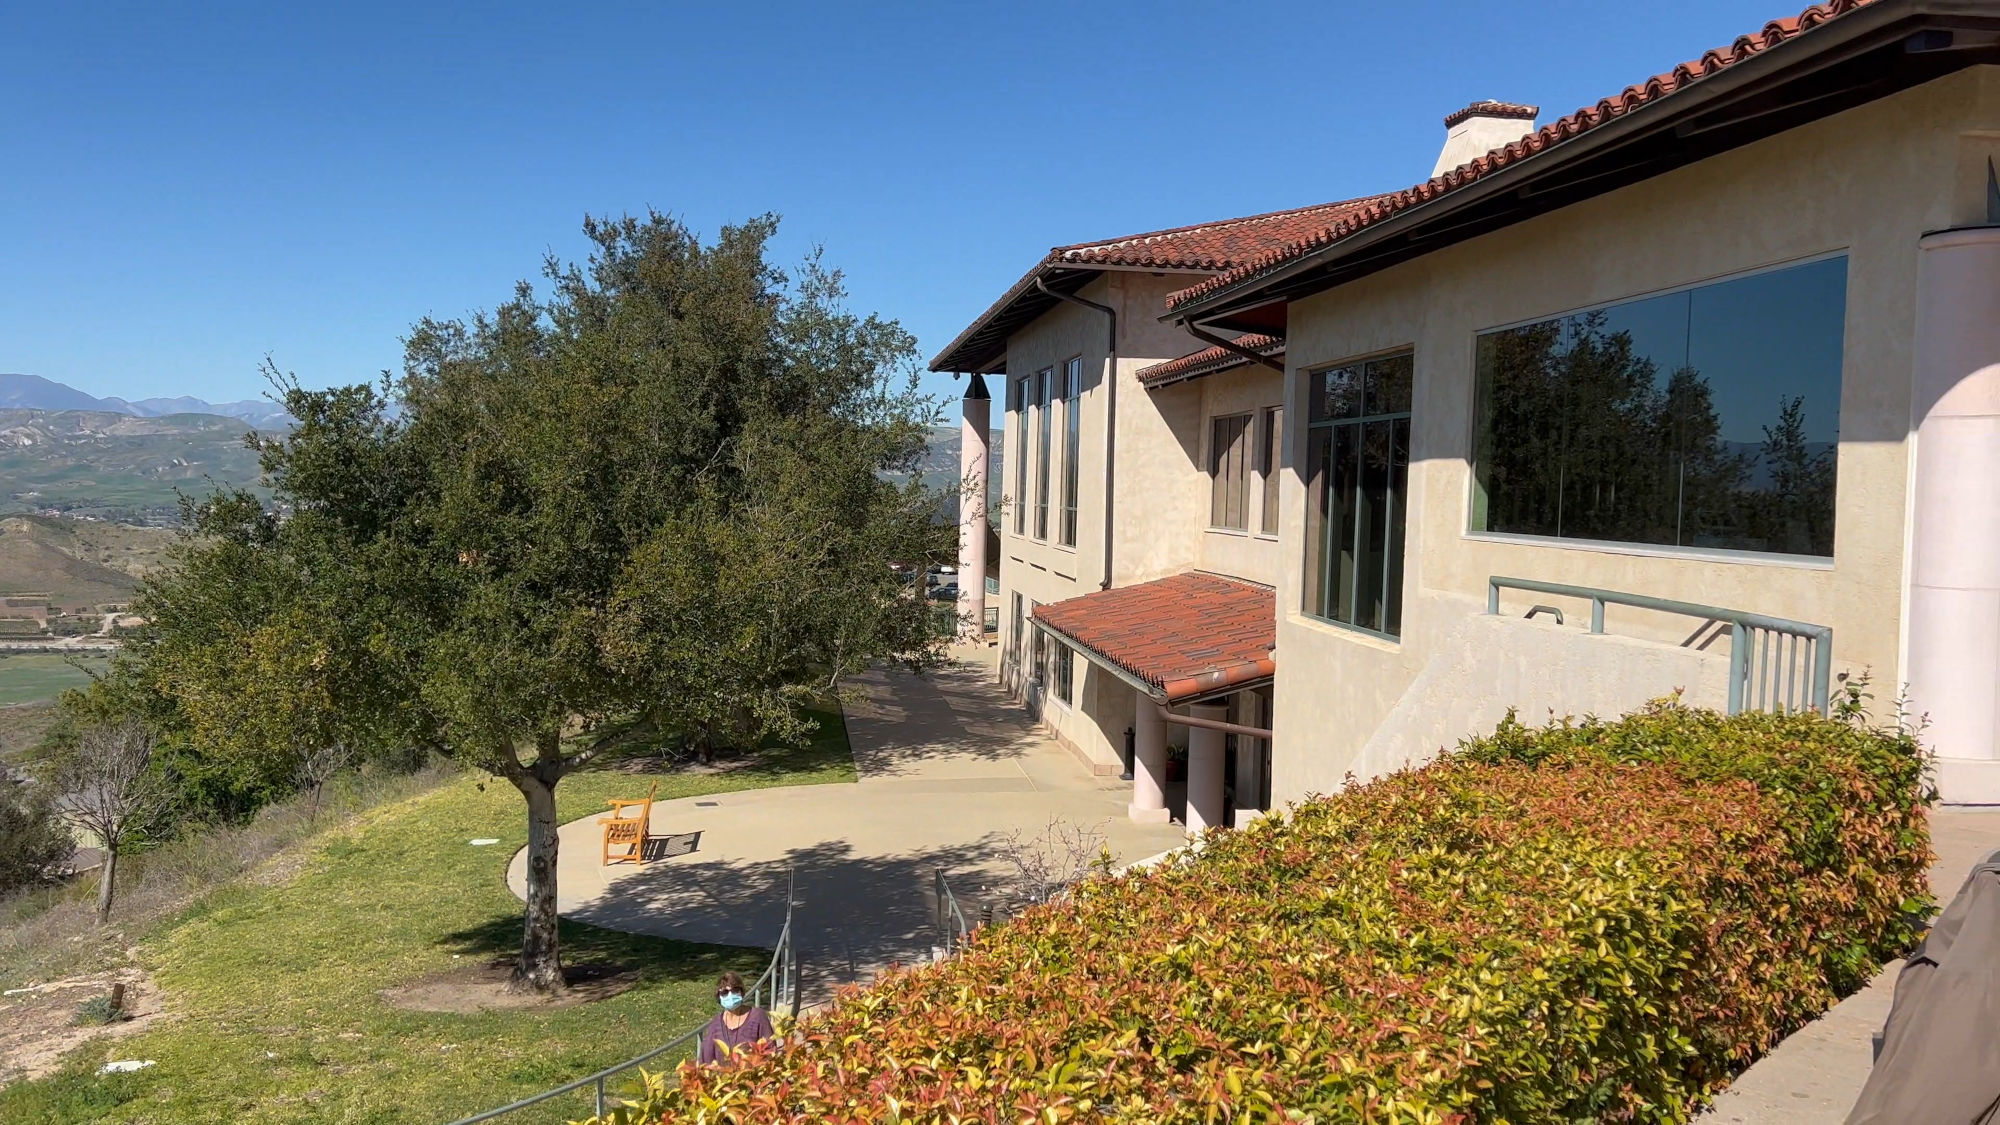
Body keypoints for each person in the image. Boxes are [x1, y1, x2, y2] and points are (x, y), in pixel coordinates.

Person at [697, 970, 774, 1065]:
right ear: (719, 996)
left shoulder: (758, 1017)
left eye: (735, 990)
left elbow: (771, 1050)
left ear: (741, 992)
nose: (730, 995)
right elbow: (705, 1061)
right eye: (725, 992)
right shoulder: (715, 1025)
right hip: (724, 1078)